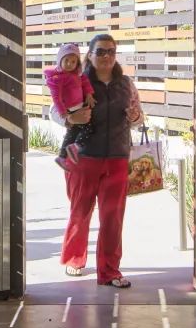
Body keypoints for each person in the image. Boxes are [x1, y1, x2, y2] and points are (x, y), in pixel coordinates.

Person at [59, 33, 142, 288]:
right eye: (101, 52)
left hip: (117, 157)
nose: (106, 57)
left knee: (113, 217)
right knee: (80, 211)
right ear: (90, 56)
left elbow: (139, 119)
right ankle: (74, 258)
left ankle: (109, 271)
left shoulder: (126, 84)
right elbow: (56, 109)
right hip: (83, 157)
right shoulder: (76, 80)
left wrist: (136, 116)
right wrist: (71, 119)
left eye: (111, 52)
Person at [43, 42, 93, 169]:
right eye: (66, 61)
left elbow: (86, 84)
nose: (70, 64)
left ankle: (63, 155)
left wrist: (89, 94)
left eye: (73, 61)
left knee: (73, 132)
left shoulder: (78, 75)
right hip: (71, 110)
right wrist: (64, 115)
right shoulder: (57, 79)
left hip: (78, 107)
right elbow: (56, 99)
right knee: (84, 128)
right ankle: (74, 147)